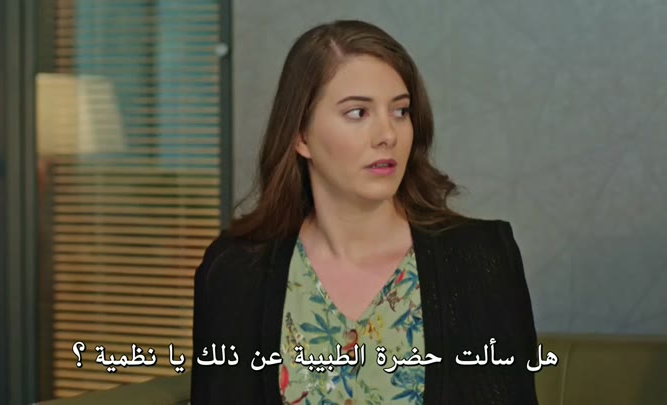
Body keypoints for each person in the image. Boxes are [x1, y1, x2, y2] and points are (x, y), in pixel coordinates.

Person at [191, 19, 539, 405]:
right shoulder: (234, 270)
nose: (387, 135)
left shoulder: (481, 258)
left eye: (400, 111)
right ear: (301, 135)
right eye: (358, 113)